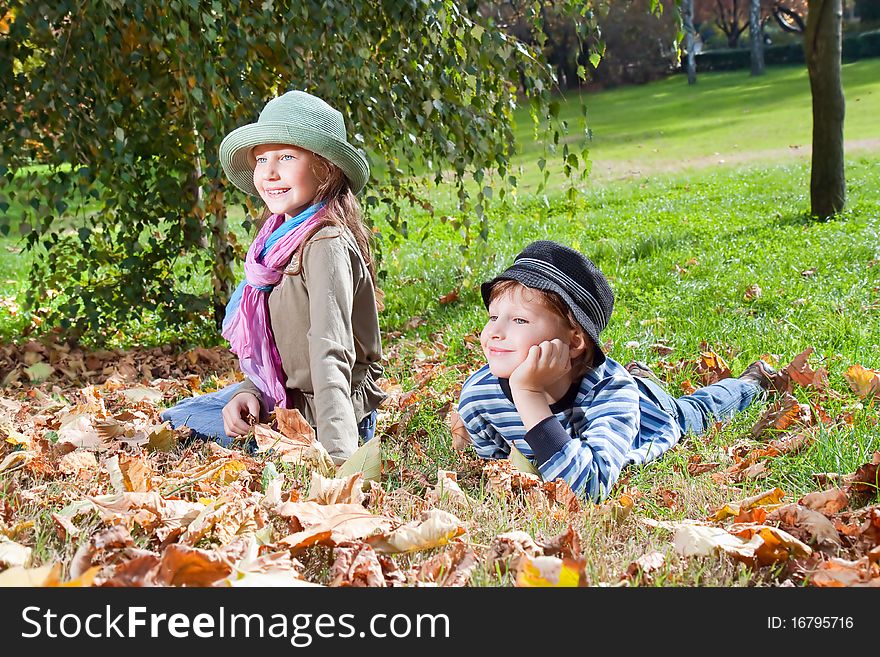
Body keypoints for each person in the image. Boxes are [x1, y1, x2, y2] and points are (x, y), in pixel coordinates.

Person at [456, 240, 785, 501]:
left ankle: (754, 381)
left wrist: (528, 396)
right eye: (492, 317)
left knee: (696, 410)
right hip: (607, 394)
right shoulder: (478, 395)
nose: (494, 332)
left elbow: (588, 488)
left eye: (519, 320)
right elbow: (498, 468)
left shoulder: (610, 393)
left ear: (573, 342)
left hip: (647, 416)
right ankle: (642, 377)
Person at [162, 91, 385, 464]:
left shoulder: (325, 242)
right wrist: (248, 391)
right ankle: (258, 416)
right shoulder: (276, 241)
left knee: (184, 425)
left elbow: (331, 352)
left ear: (325, 168)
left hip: (327, 415)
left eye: (285, 156)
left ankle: (288, 440)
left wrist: (338, 457)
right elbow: (277, 343)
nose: (269, 172)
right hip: (285, 395)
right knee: (179, 415)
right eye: (261, 159)